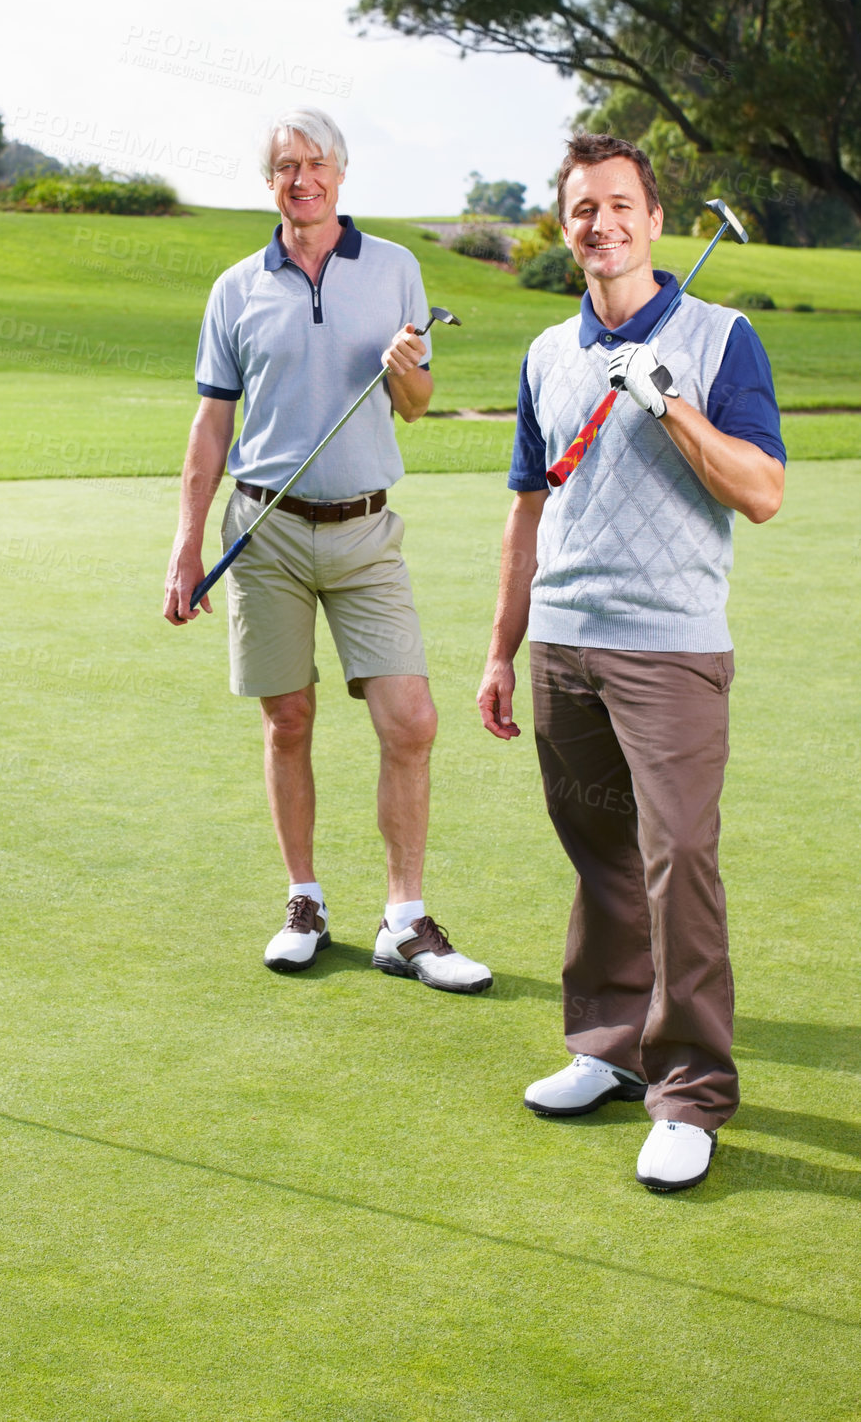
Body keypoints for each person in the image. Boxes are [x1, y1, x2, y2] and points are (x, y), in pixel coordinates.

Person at [477, 133, 785, 1192]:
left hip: (670, 648)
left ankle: (689, 1090)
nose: (600, 225)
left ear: (653, 221)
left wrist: (669, 402)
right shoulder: (542, 357)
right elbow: (527, 511)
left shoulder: (718, 337)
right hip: (564, 640)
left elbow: (760, 490)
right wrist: (500, 649)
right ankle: (607, 1047)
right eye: (580, 211)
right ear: (563, 229)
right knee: (600, 854)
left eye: (618, 206)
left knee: (676, 860)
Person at [165, 108, 491, 992]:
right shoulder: (236, 287)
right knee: (288, 720)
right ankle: (304, 899)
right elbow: (211, 424)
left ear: (341, 175)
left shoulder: (395, 269)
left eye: (316, 164)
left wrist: (404, 368)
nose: (301, 178)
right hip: (263, 532)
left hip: (366, 531)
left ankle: (405, 921)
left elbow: (419, 404)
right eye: (285, 166)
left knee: (410, 720)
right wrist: (185, 546)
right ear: (268, 181)